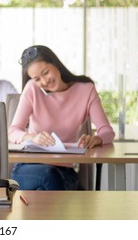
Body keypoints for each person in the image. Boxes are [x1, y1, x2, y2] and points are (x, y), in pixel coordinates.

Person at [8, 45, 115, 190]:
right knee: (48, 178)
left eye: (45, 73)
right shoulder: (32, 88)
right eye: (37, 79)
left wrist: (96, 139)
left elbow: (107, 131)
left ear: (55, 63)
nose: (44, 82)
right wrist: (32, 137)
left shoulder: (86, 89)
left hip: (64, 171)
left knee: (46, 187)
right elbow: (13, 131)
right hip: (28, 167)